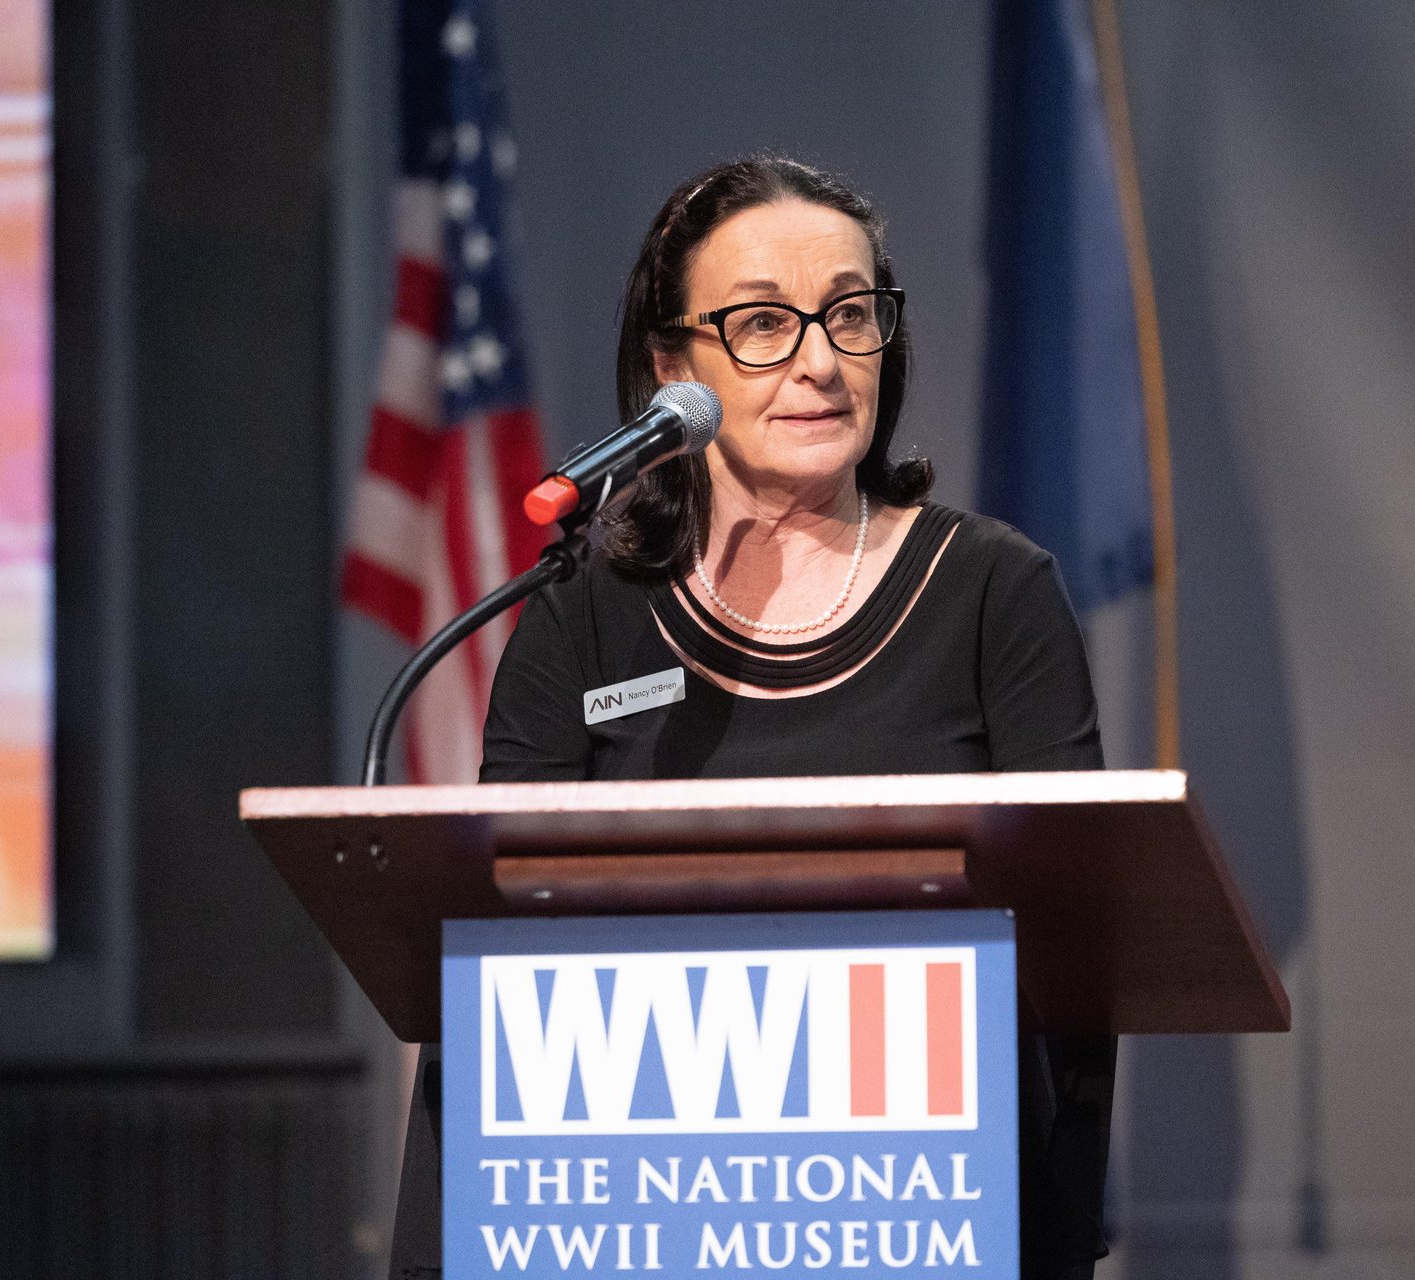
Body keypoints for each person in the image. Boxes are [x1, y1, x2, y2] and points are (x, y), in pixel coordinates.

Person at [394, 153, 1116, 1280]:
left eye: (850, 314)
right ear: (671, 364)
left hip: (928, 1222)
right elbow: (496, 950)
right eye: (764, 324)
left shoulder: (992, 594)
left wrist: (1057, 1238)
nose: (821, 361)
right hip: (625, 1223)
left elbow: (1078, 958)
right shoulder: (579, 612)